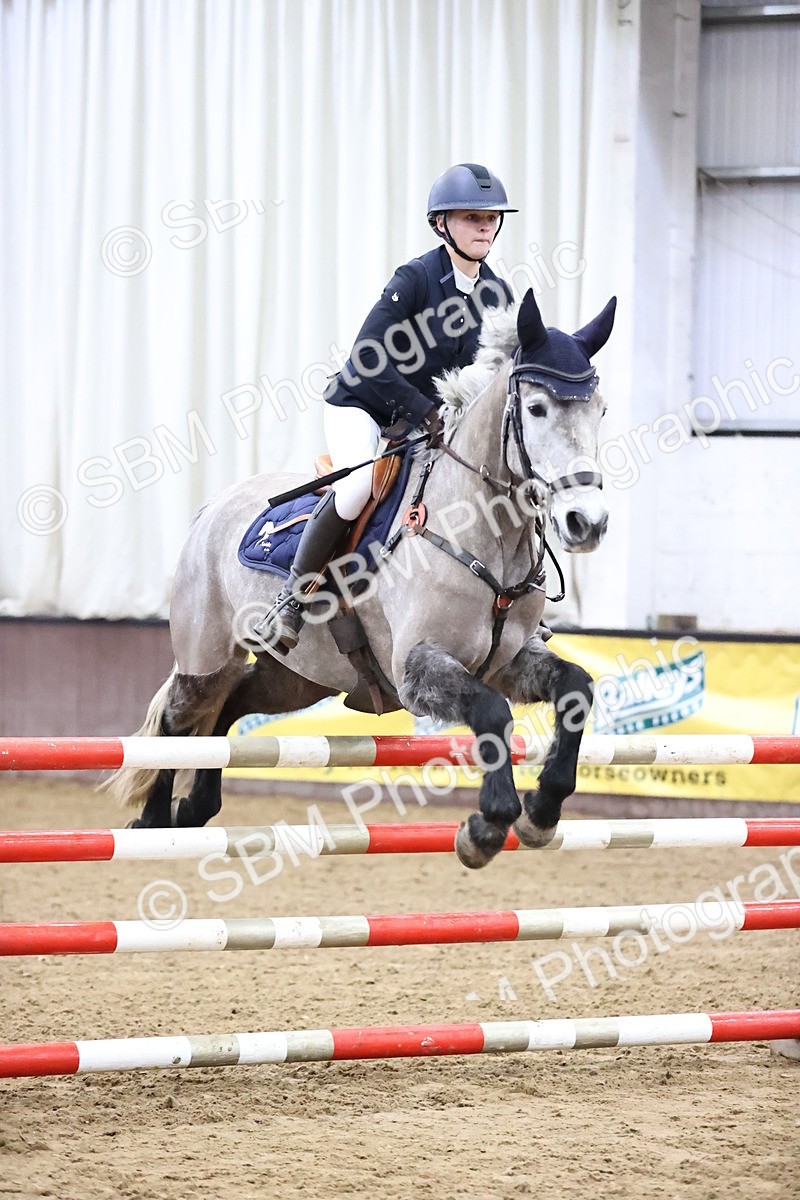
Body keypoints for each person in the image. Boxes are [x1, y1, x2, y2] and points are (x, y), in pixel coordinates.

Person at [258, 162, 517, 654]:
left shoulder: (496, 293)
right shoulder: (416, 279)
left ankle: (508, 600)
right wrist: (425, 411)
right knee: (357, 485)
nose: (485, 226)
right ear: (442, 224)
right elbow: (368, 358)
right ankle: (291, 599)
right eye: (471, 217)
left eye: (491, 217)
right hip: (365, 403)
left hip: (430, 423)